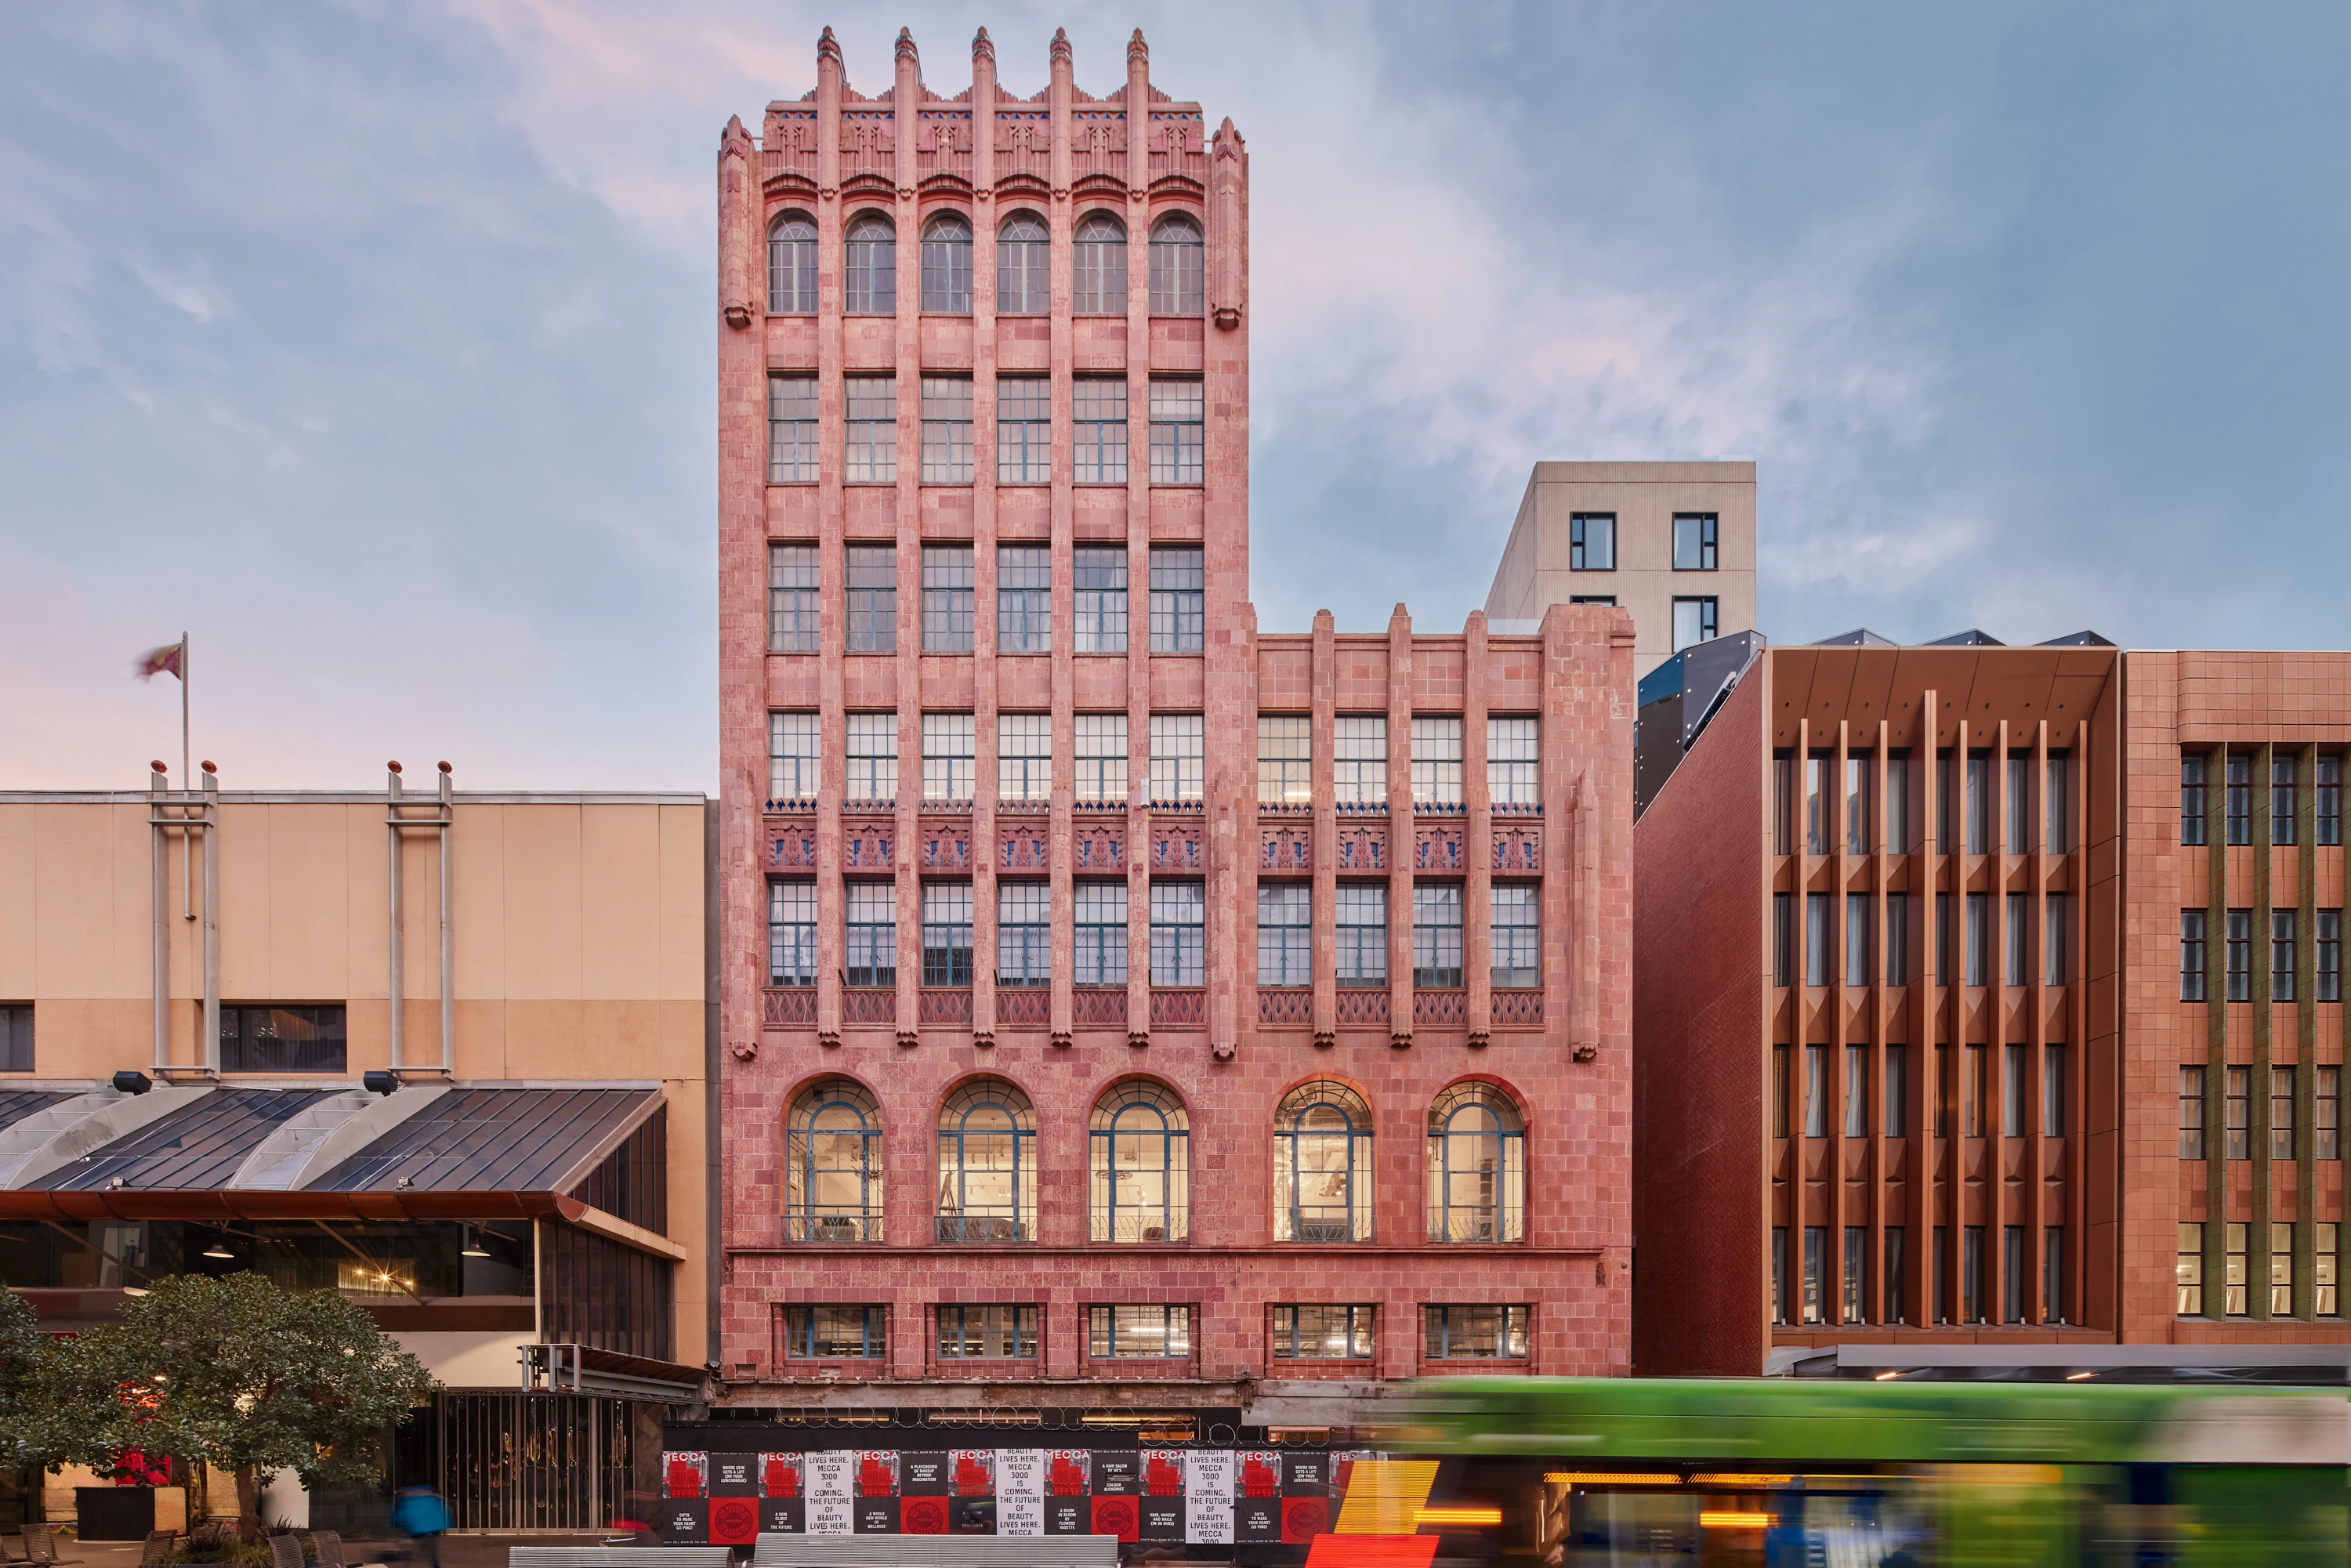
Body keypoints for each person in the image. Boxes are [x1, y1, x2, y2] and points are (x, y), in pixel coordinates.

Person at [389, 1485, 451, 1568]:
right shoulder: (431, 1499)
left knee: (409, 1553)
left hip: (415, 1532)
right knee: (431, 1553)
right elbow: (440, 1514)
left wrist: (394, 1524)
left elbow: (401, 1516)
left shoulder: (408, 1501)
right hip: (430, 1531)